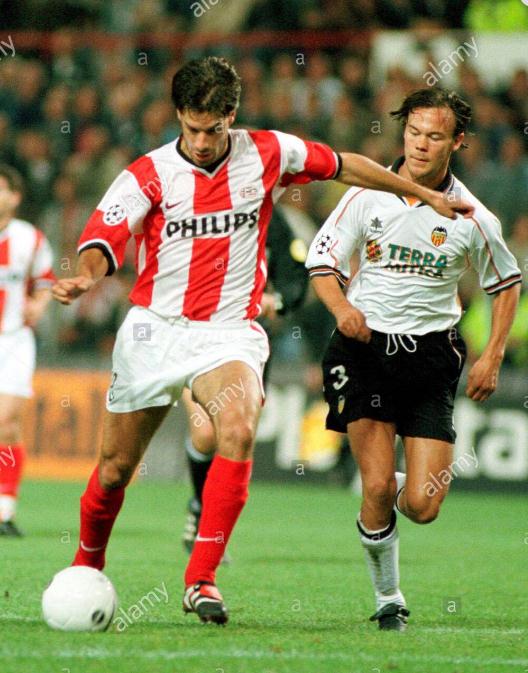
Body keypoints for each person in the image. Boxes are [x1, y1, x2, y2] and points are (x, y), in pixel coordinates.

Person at [52, 58, 473, 626]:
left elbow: (344, 165)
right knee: (112, 471)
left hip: (229, 332)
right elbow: (102, 238)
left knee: (238, 427)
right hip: (155, 331)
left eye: (213, 129)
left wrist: (419, 194)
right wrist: (86, 275)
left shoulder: (269, 152)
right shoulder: (147, 174)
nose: (203, 142)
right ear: (178, 116)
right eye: (192, 128)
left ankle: (201, 579)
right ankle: (87, 565)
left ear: (231, 115)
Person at [305, 87, 521, 631]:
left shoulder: (473, 215)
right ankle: (388, 598)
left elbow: (506, 283)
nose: (421, 145)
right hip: (365, 351)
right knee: (378, 486)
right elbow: (322, 263)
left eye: (435, 136)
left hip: (430, 357)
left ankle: (392, 480)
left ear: (458, 141)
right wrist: (342, 309)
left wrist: (493, 354)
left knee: (423, 505)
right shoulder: (367, 195)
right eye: (414, 132)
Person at [181, 205, 308, 559]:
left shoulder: (270, 218)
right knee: (205, 434)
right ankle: (199, 505)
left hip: (246, 342)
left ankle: (210, 531)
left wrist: (277, 300)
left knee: (233, 436)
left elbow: (296, 273)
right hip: (195, 332)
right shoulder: (195, 207)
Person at [0, 165, 54, 536]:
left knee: (4, 421)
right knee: (9, 428)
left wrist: (39, 304)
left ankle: (4, 510)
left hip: (14, 340)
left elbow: (46, 281)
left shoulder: (30, 238)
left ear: (15, 197)